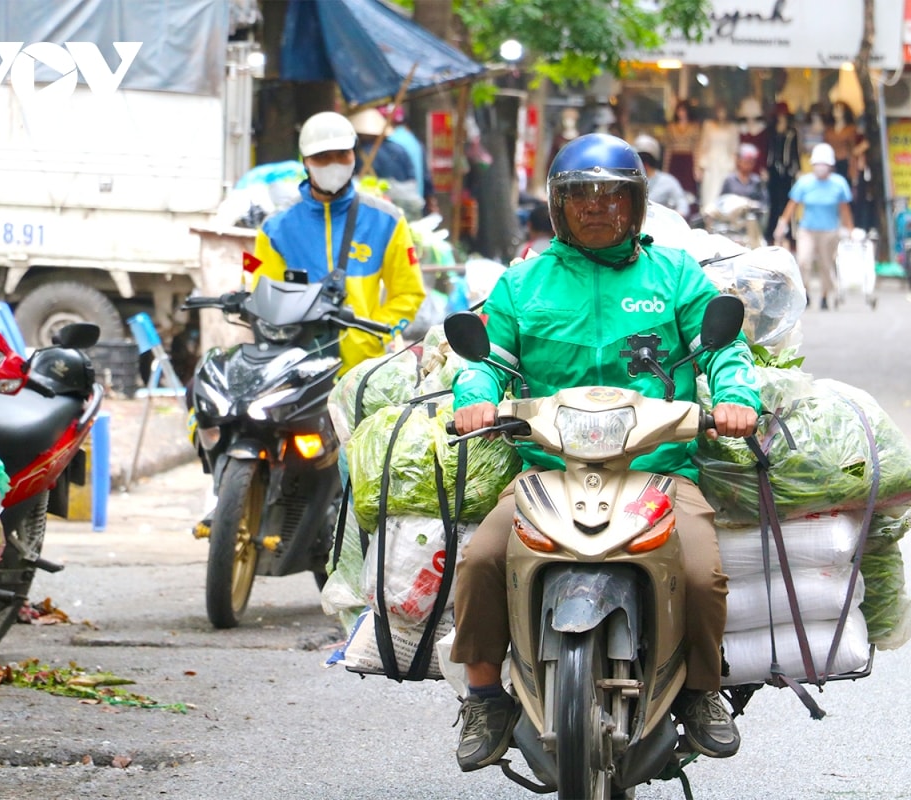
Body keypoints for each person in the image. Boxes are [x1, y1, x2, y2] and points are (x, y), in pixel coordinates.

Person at [448, 132, 761, 772]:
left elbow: (722, 351)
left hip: (657, 471)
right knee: (480, 559)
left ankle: (702, 692)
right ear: (558, 207)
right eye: (581, 196)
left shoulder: (674, 276)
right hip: (548, 471)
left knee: (702, 575)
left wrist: (734, 399)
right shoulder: (523, 284)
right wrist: (473, 398)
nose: (597, 208)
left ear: (637, 205)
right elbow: (486, 363)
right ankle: (484, 696)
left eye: (612, 196)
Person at [251, 111, 425, 373]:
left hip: (362, 373)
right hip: (298, 373)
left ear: (354, 155)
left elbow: (409, 293)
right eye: (322, 157)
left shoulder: (387, 221)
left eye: (342, 154)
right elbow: (265, 302)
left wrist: (373, 334)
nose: (334, 163)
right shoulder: (276, 229)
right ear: (305, 161)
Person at [774, 143, 853, 310]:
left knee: (826, 265)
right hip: (807, 230)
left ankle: (825, 295)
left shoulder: (839, 184)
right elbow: (792, 205)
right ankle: (806, 291)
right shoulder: (804, 183)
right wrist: (782, 224)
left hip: (830, 231)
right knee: (803, 261)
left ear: (830, 166)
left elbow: (845, 209)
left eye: (824, 164)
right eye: (817, 164)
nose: (820, 168)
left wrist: (850, 230)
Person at [384, 105, 439, 214]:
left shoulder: (390, 141)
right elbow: (426, 176)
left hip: (399, 205)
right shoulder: (414, 141)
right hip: (417, 203)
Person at [632, 133, 692, 217]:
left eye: (647, 159)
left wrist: (673, 218)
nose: (644, 164)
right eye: (641, 158)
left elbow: (682, 206)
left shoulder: (668, 181)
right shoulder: (630, 181)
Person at [695, 103, 739, 212]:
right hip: (710, 164)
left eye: (723, 110)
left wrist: (734, 168)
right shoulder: (708, 125)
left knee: (723, 193)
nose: (721, 113)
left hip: (726, 165)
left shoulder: (733, 128)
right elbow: (702, 146)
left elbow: (734, 149)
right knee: (708, 194)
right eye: (719, 110)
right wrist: (698, 166)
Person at [767, 102, 801, 242]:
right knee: (774, 201)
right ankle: (772, 231)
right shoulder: (773, 132)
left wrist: (796, 169)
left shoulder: (792, 133)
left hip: (788, 171)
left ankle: (788, 233)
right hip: (774, 170)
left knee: (788, 200)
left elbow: (794, 153)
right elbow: (770, 151)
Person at [664, 99, 702, 206]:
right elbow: (668, 148)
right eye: (679, 111)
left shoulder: (694, 127)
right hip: (675, 160)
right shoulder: (671, 127)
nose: (681, 113)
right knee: (674, 185)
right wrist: (665, 168)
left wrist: (697, 167)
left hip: (688, 160)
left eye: (683, 110)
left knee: (688, 188)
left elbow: (696, 148)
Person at [720, 143, 769, 208]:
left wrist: (752, 204)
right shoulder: (729, 180)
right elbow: (721, 201)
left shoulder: (757, 181)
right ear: (739, 161)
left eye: (751, 162)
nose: (748, 165)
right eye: (746, 162)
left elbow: (764, 203)